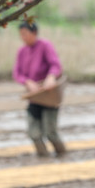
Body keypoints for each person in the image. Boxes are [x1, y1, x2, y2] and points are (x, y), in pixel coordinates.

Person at [13, 21, 67, 157]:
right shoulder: (22, 51)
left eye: (25, 34)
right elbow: (17, 73)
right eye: (21, 35)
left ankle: (63, 155)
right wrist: (28, 82)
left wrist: (51, 77)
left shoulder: (45, 46)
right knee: (33, 133)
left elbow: (55, 65)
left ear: (34, 33)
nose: (23, 37)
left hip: (49, 95)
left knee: (51, 133)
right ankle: (44, 158)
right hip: (34, 96)